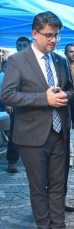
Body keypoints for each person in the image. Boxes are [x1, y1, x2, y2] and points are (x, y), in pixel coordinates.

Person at [1, 11, 74, 229]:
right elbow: (7, 95)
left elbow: (71, 90)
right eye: (49, 35)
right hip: (31, 135)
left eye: (57, 36)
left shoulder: (61, 61)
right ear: (35, 34)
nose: (54, 40)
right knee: (38, 186)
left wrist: (67, 96)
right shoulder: (17, 61)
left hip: (59, 132)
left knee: (58, 184)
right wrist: (43, 99)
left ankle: (59, 228)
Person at [5, 37, 31, 173]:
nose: (21, 47)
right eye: (19, 45)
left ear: (29, 45)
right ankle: (12, 160)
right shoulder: (13, 60)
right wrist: (8, 103)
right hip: (16, 102)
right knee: (15, 132)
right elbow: (8, 85)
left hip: (33, 102)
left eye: (24, 45)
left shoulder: (34, 61)